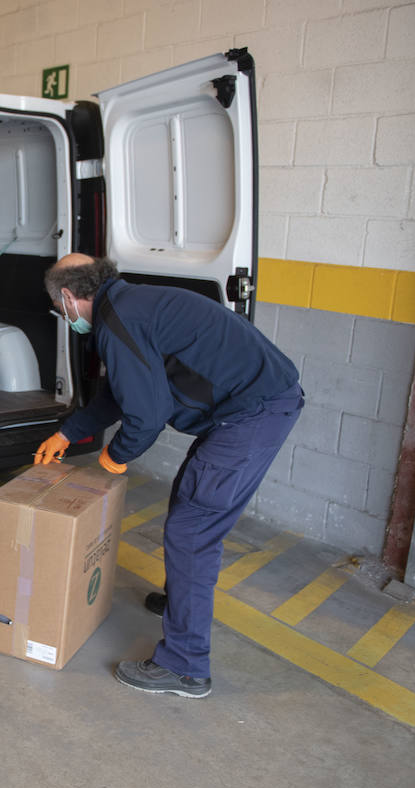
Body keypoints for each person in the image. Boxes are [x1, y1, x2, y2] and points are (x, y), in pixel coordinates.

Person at [34, 254, 302, 698]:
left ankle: (185, 667)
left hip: (253, 413)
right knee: (189, 503)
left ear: (67, 297)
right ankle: (182, 602)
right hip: (252, 405)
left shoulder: (117, 322)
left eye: (59, 308)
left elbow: (147, 413)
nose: (64, 317)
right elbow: (123, 391)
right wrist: (69, 431)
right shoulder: (129, 306)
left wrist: (114, 458)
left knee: (192, 531)